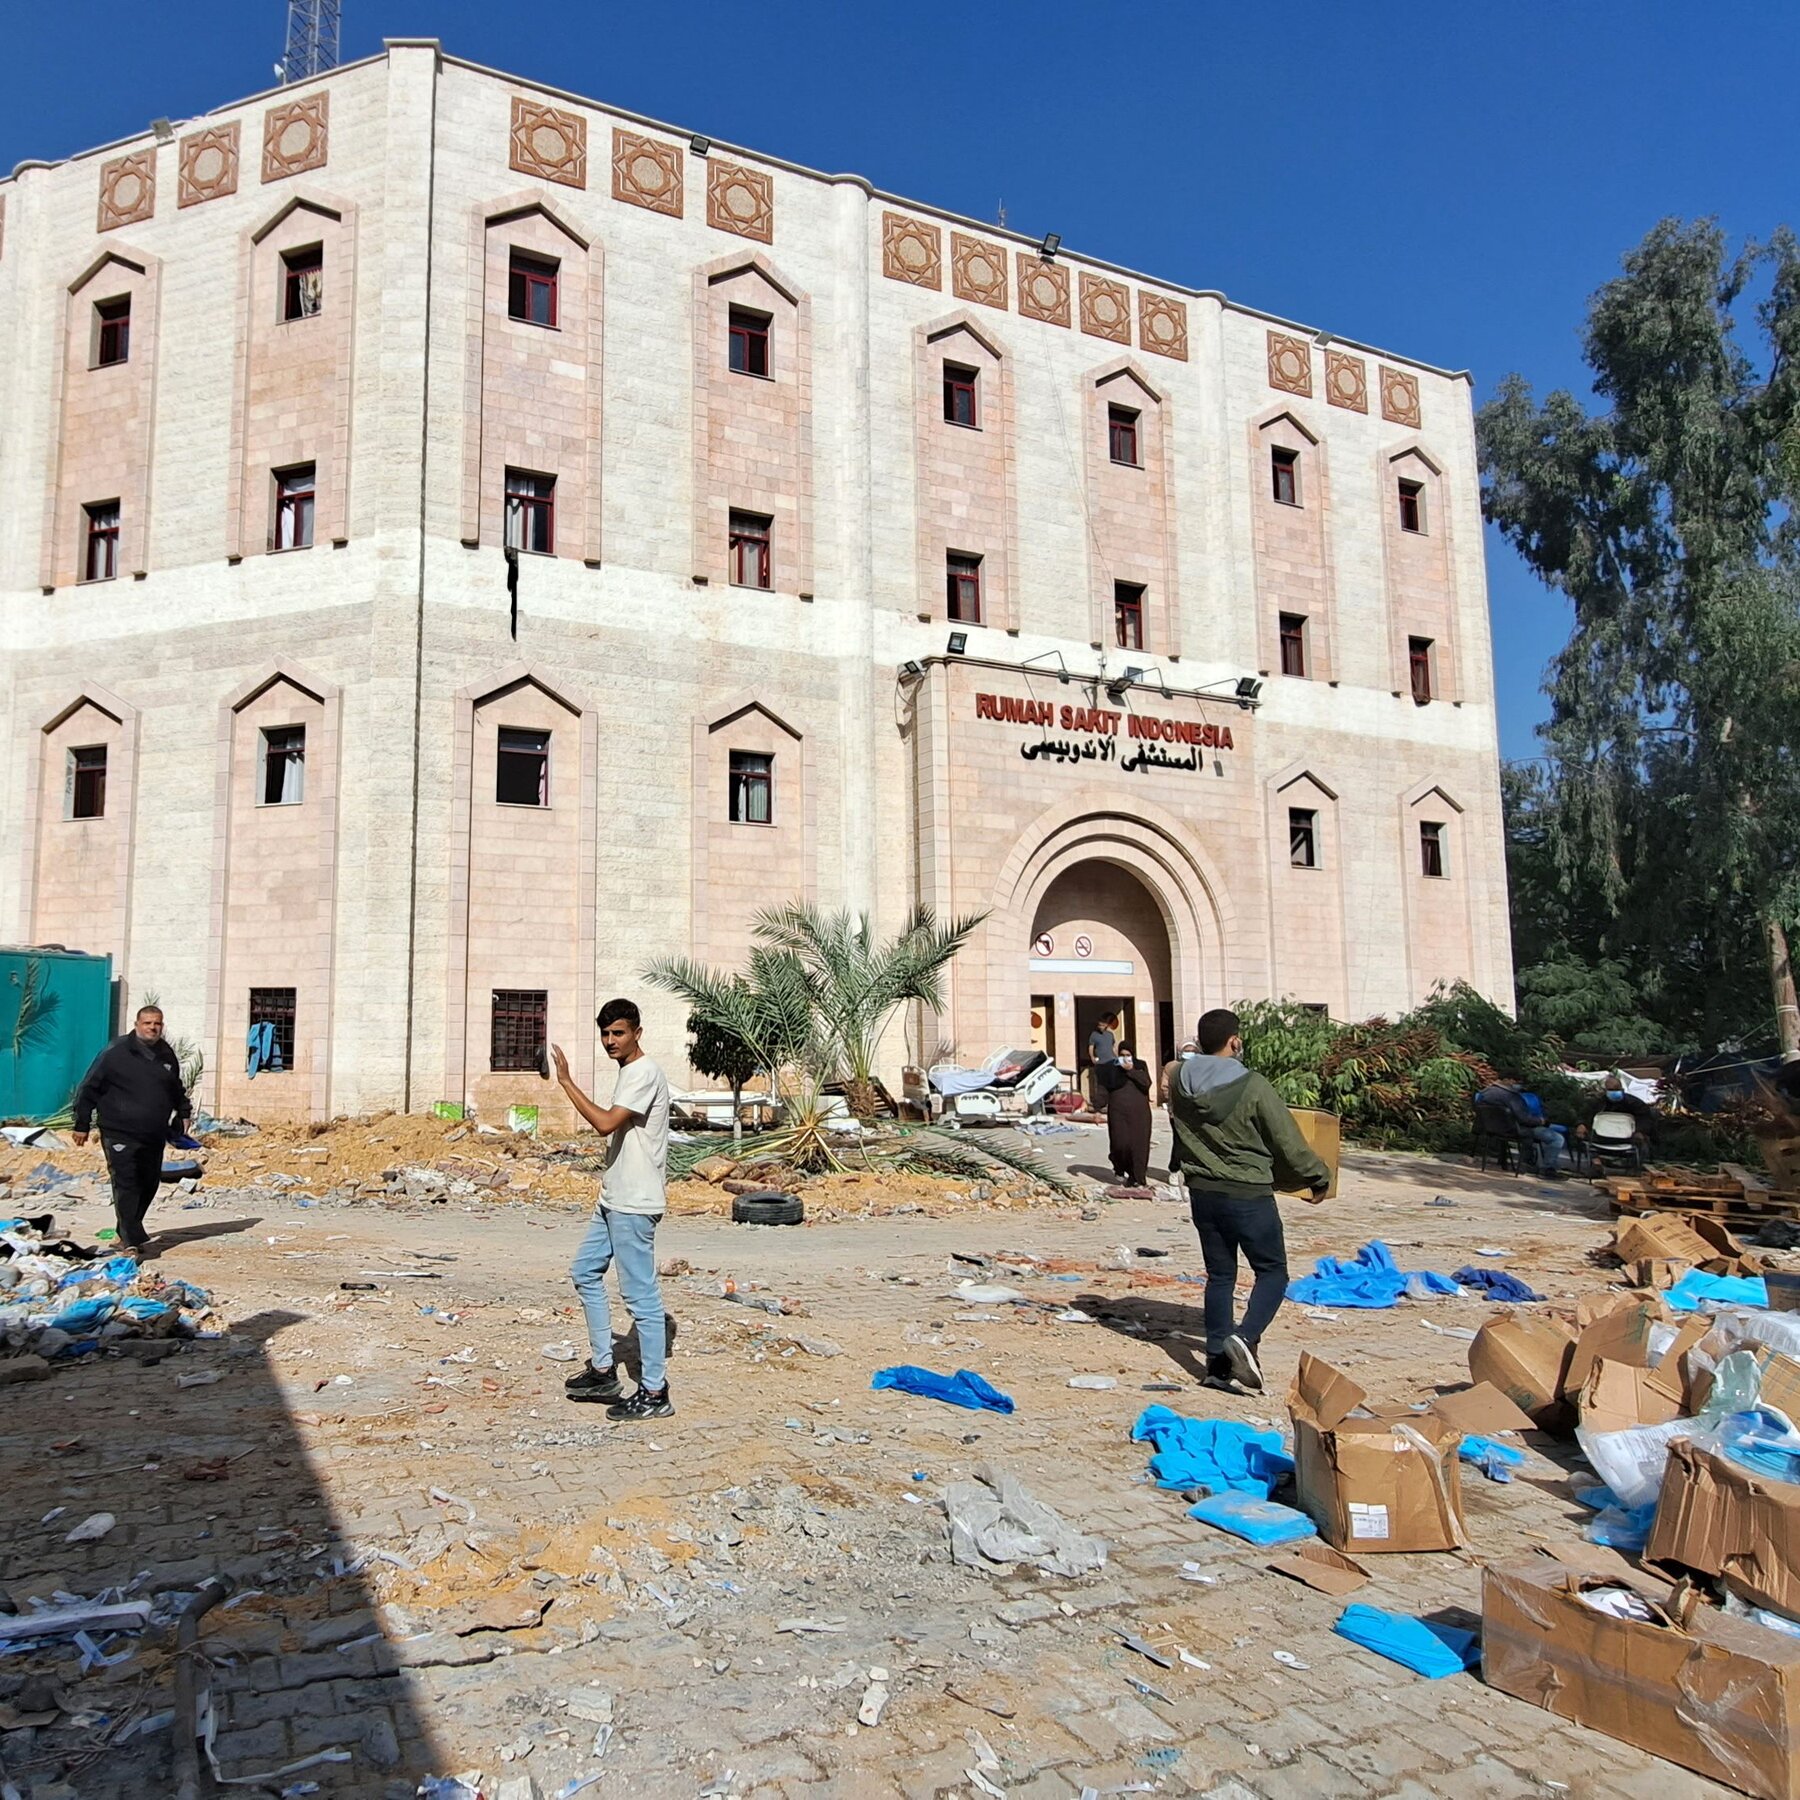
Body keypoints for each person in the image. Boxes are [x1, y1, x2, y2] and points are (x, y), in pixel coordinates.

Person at [1169, 1007, 1329, 1394]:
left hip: (1203, 1193)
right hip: (1248, 1193)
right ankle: (1247, 1336)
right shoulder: (1253, 1085)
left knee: (1221, 1276)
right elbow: (1287, 1141)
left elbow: (1178, 1131)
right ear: (1235, 1041)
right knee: (1273, 1272)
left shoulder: (1178, 1081)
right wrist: (1317, 1177)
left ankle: (1217, 1366)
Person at [552, 998, 674, 1422]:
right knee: (585, 1270)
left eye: (618, 1033)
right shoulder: (629, 1072)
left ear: (637, 1032)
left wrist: (566, 1082)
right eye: (604, 1034)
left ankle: (655, 1391)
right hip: (612, 1198)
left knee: (642, 1299)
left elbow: (605, 1123)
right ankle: (603, 1369)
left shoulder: (643, 1072)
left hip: (634, 1205)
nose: (610, 1041)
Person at [72, 1004, 191, 1251]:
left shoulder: (166, 1054)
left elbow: (175, 1088)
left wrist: (183, 1112)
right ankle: (130, 1240)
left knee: (148, 1182)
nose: (152, 1028)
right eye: (147, 1023)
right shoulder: (116, 1052)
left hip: (153, 1133)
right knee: (126, 1181)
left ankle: (127, 1229)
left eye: (157, 1023)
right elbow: (89, 1087)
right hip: (119, 1131)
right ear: (137, 1025)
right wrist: (81, 1124)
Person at [1474, 1075, 1565, 1174]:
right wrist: (1540, 1121)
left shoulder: (1485, 1093)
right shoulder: (1511, 1096)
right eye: (1516, 1081)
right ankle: (1548, 1168)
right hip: (1514, 1130)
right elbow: (1524, 1119)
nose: (1517, 1085)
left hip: (1490, 1128)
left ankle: (1528, 1163)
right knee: (1557, 1138)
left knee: (1534, 1133)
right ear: (1508, 1080)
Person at [1100, 1046, 1153, 1187]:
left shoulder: (1140, 1065)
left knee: (1139, 1146)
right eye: (1122, 1055)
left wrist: (1131, 1070)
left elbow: (1146, 1084)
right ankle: (1120, 1167)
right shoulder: (1112, 1067)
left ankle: (1138, 1177)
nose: (1125, 1057)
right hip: (1118, 1113)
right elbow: (1107, 1085)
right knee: (1120, 1143)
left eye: (1128, 1055)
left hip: (1139, 1113)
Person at [1086, 1011, 1121, 1110]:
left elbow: (1113, 1047)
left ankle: (1111, 1102)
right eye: (1099, 1025)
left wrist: (1118, 1058)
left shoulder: (1110, 1035)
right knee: (1101, 1084)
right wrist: (1092, 1057)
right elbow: (1091, 1047)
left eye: (1102, 1025)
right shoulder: (1094, 1035)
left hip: (1111, 1062)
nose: (1100, 1027)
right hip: (1101, 1063)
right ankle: (1100, 1103)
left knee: (1112, 1082)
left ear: (1106, 1025)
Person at [1159, 1039, 1198, 1109]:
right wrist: (1172, 1099)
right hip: (1178, 1105)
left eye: (1193, 1051)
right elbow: (1165, 1086)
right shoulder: (1171, 1066)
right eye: (1187, 1051)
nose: (1190, 1053)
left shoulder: (1201, 1065)